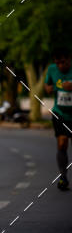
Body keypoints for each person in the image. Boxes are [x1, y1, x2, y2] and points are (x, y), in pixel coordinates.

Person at [44, 47, 72, 190]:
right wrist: (48, 88)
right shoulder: (52, 69)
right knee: (62, 143)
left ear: (69, 59)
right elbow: (47, 84)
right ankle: (63, 176)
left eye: (63, 62)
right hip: (59, 113)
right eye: (57, 63)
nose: (60, 66)